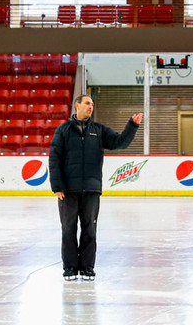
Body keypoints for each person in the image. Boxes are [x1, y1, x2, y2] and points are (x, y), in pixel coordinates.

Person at [48, 94, 142, 281]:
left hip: (91, 189)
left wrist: (132, 126)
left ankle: (87, 267)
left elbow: (119, 143)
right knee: (68, 229)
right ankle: (70, 268)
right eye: (87, 103)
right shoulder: (63, 130)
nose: (91, 107)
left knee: (89, 229)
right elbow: (54, 158)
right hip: (68, 190)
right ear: (77, 105)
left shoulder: (98, 130)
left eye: (92, 104)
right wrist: (57, 185)